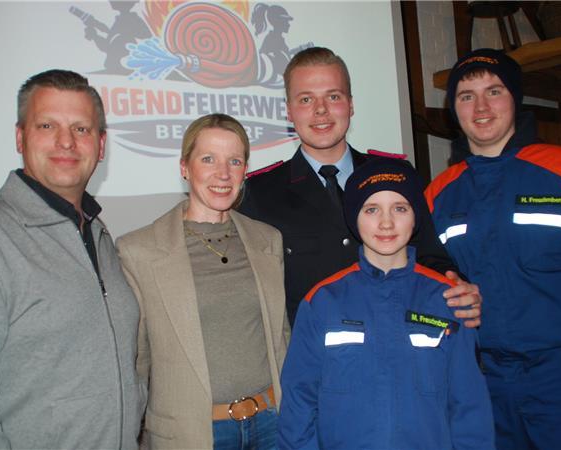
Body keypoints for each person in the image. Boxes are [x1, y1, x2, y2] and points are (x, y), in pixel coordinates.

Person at [425, 48, 561, 450]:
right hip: (483, 383)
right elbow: (429, 284)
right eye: (465, 95)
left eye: (494, 91)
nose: (480, 106)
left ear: (515, 98)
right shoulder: (437, 194)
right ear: (453, 108)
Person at [0, 69, 145, 449]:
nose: (66, 141)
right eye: (47, 125)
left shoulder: (98, 235)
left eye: (81, 129)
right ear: (21, 137)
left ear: (101, 145)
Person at [239, 46, 482, 327]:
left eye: (333, 96)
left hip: (397, 348)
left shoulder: (398, 176)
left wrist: (454, 284)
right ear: (289, 112)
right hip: (316, 360)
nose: (321, 110)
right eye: (306, 99)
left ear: (351, 105)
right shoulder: (260, 193)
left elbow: (430, 257)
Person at [278, 157, 494, 450]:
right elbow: (298, 404)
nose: (386, 222)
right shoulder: (323, 302)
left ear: (415, 216)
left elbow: (469, 406)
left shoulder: (448, 300)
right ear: (354, 218)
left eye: (400, 208)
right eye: (371, 209)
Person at [117, 114, 288, 449]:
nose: (223, 174)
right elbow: (136, 363)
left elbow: (281, 338)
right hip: (193, 433)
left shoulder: (268, 240)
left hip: (271, 425)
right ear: (185, 167)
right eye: (208, 159)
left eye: (234, 161)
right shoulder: (139, 251)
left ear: (245, 170)